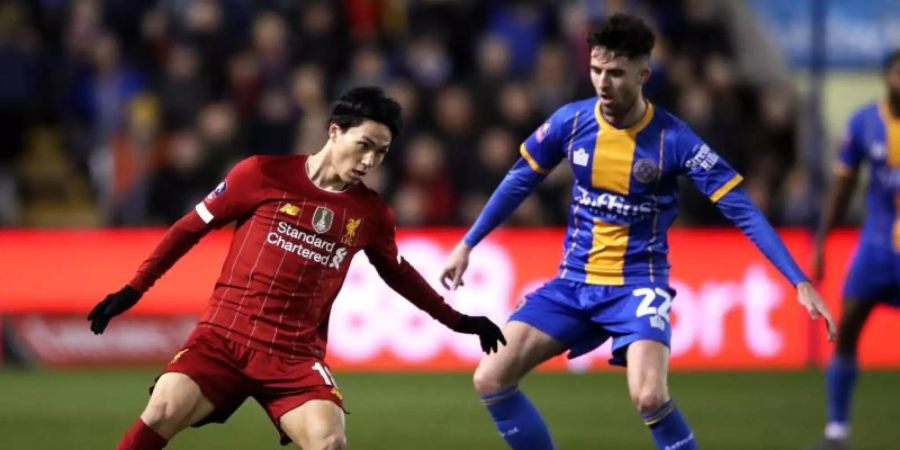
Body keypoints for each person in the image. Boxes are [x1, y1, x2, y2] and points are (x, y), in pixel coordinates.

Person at [440, 14, 836, 450]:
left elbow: (740, 208)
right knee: (490, 377)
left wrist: (797, 279)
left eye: (615, 73)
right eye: (595, 70)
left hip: (637, 287)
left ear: (643, 73)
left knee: (649, 395)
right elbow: (520, 179)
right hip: (574, 284)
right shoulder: (571, 122)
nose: (603, 83)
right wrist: (468, 243)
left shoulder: (674, 139)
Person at [87, 86, 506, 450]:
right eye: (364, 144)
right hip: (224, 339)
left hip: (292, 355)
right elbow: (187, 229)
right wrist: (134, 288)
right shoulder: (260, 174)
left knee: (329, 440)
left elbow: (400, 275)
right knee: (163, 408)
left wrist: (459, 321)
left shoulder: (372, 214)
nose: (370, 160)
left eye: (381, 152)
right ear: (334, 131)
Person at [811, 49, 900, 450]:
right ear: (886, 77)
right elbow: (843, 187)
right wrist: (821, 241)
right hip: (877, 248)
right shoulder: (865, 123)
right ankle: (836, 431)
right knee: (846, 329)